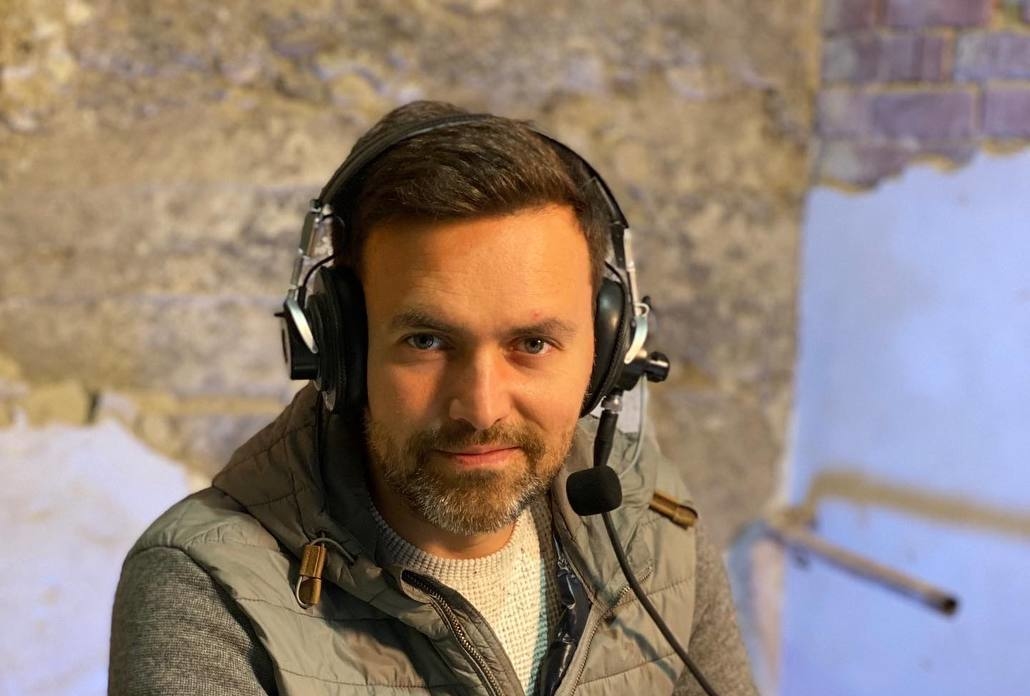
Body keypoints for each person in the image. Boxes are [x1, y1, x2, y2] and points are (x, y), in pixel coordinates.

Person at [108, 100, 757, 696]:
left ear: (611, 350)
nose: (481, 408)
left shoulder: (655, 529)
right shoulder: (206, 586)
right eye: (426, 341)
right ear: (343, 346)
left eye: (532, 343)